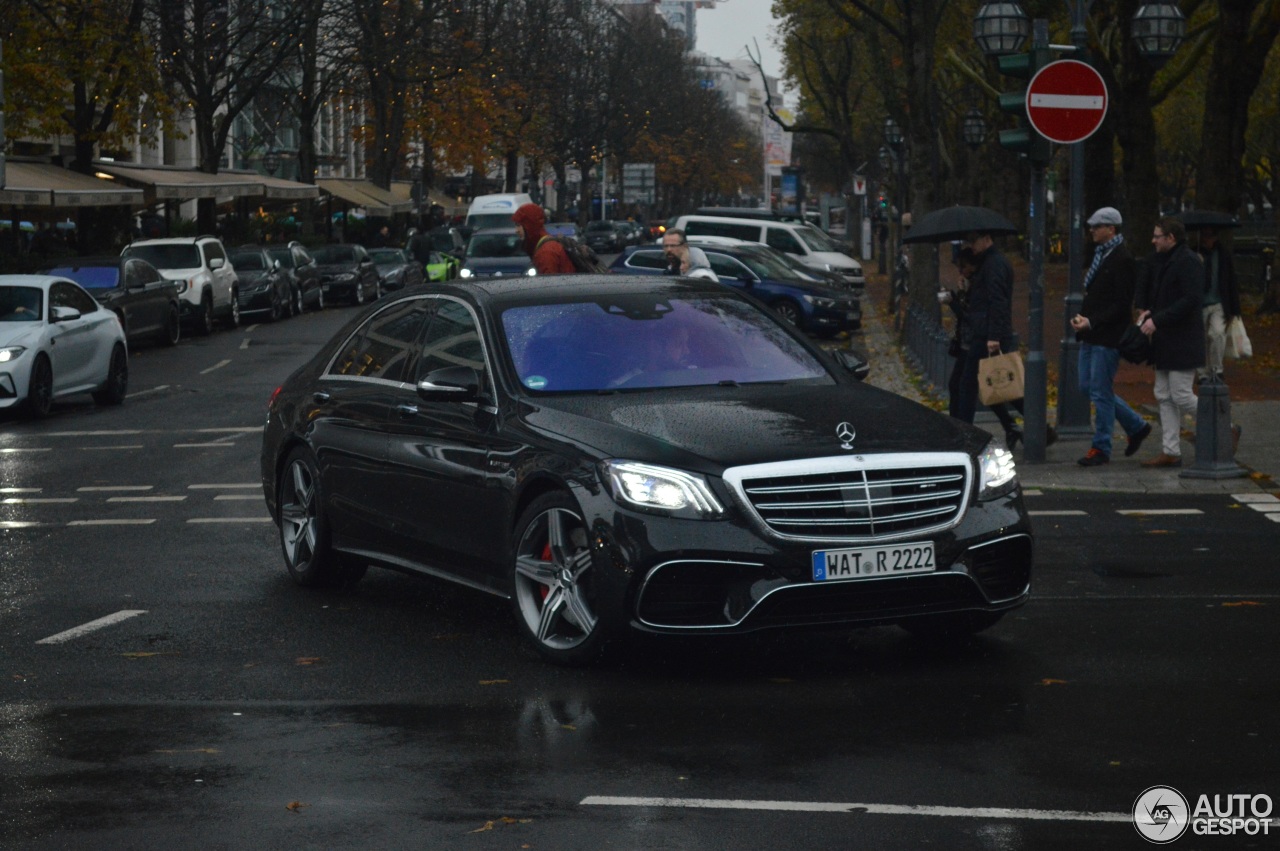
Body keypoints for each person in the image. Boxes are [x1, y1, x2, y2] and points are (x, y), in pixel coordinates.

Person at [1069, 207, 1152, 467]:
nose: (1092, 230)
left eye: (1097, 226)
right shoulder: (1102, 254)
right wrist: (1084, 318)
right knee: (1088, 387)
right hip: (1092, 333)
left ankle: (1101, 447)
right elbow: (1097, 295)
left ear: (1111, 229)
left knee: (1100, 391)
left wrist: (1091, 320)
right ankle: (1136, 425)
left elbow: (1120, 303)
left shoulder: (1122, 259)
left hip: (1108, 335)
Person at [1136, 216, 1205, 468]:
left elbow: (1190, 300)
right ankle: (1171, 450)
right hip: (1169, 338)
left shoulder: (1186, 261)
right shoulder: (1170, 261)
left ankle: (1224, 425)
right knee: (1164, 394)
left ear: (1171, 238)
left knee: (1181, 394)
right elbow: (1170, 298)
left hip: (1182, 339)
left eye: (1157, 236)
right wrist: (1151, 314)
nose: (1153, 240)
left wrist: (1158, 319)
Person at [940, 249, 1024, 447]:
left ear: (973, 266)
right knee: (985, 386)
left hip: (978, 341)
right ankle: (1010, 425)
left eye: (965, 267)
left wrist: (955, 301)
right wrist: (959, 294)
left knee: (983, 385)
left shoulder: (984, 279)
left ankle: (963, 432)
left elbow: (971, 315)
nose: (962, 272)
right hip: (969, 342)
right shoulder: (972, 282)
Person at [1195, 226, 1242, 383]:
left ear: (1215, 237)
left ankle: (1216, 369)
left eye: (1209, 236)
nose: (1205, 239)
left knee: (1217, 334)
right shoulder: (1194, 253)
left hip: (1218, 302)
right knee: (1199, 338)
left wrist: (1234, 309)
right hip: (1199, 303)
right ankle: (1202, 373)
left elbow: (1231, 281)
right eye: (1204, 235)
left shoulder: (1222, 254)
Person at [512, 203, 575, 275]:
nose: (516, 230)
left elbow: (547, 284)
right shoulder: (547, 246)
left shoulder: (546, 252)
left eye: (518, 225)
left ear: (529, 225)